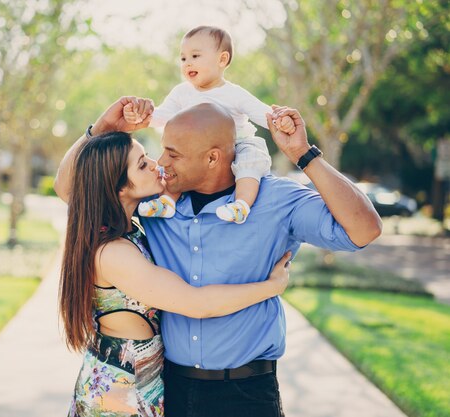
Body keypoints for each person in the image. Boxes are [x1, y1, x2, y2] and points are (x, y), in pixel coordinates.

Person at [55, 96, 382, 417]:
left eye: (172, 153)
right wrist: (103, 128)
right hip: (165, 388)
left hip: (246, 394)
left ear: (212, 158)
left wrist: (303, 154)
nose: (161, 163)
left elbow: (364, 231)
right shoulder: (153, 208)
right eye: (154, 156)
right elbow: (81, 187)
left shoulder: (277, 201)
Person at [57, 129, 292, 417]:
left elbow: (66, 186)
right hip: (119, 393)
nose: (156, 164)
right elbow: (197, 304)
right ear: (118, 187)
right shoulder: (113, 253)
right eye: (143, 164)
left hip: (140, 380)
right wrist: (271, 286)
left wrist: (101, 128)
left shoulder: (131, 226)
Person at [123, 26, 295, 224]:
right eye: (183, 58)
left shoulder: (234, 93)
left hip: (237, 143)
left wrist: (282, 121)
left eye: (195, 56)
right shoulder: (182, 92)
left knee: (250, 161)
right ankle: (167, 202)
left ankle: (241, 205)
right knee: (175, 164)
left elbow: (262, 113)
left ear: (222, 60)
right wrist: (139, 117)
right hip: (196, 152)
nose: (188, 63)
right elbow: (162, 116)